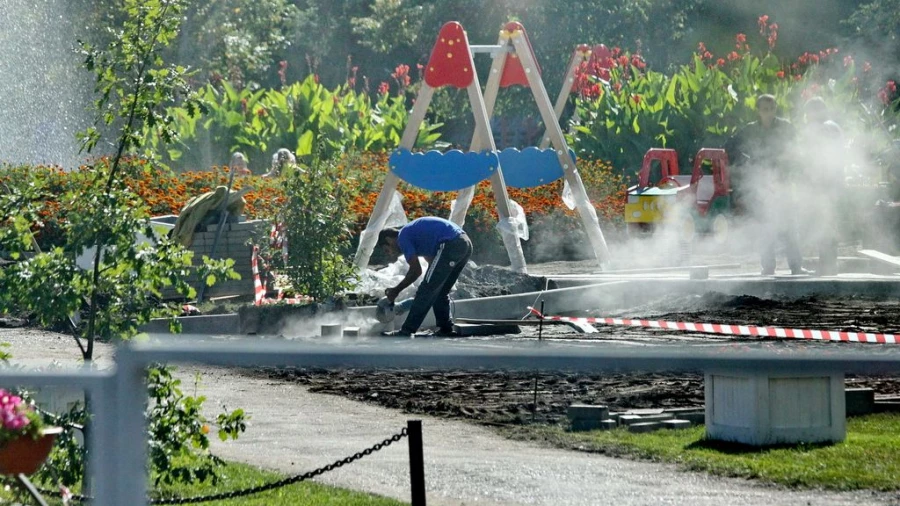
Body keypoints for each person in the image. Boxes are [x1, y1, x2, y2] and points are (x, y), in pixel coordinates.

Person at [724, 94, 805, 275]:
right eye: (764, 109)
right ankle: (768, 266)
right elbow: (730, 146)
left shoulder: (786, 127)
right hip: (761, 184)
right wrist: (746, 164)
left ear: (776, 108)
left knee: (789, 225)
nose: (768, 113)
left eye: (771, 109)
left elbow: (798, 148)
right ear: (758, 111)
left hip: (782, 182)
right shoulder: (750, 130)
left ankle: (796, 266)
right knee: (765, 226)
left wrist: (789, 162)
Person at [377, 217, 473, 337]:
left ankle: (406, 331)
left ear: (389, 240)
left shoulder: (403, 237)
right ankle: (446, 329)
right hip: (464, 243)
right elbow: (433, 266)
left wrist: (395, 291)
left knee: (426, 290)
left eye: (387, 250)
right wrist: (427, 289)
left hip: (452, 243)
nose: (390, 253)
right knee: (440, 290)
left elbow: (415, 271)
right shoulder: (415, 235)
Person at [801, 96, 845, 276]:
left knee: (824, 223)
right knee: (826, 223)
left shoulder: (823, 128)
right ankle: (828, 264)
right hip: (831, 183)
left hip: (824, 184)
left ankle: (827, 266)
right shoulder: (833, 127)